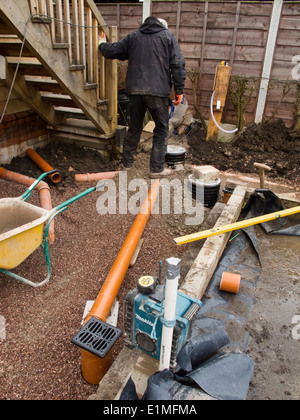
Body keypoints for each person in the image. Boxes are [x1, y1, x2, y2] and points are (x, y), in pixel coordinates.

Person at [99, 16, 186, 178]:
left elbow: (113, 50)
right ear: (162, 26)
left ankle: (126, 164)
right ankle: (156, 169)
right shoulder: (167, 37)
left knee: (134, 127)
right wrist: (179, 90)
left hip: (135, 91)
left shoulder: (134, 36)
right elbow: (178, 63)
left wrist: (101, 44)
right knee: (161, 128)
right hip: (158, 92)